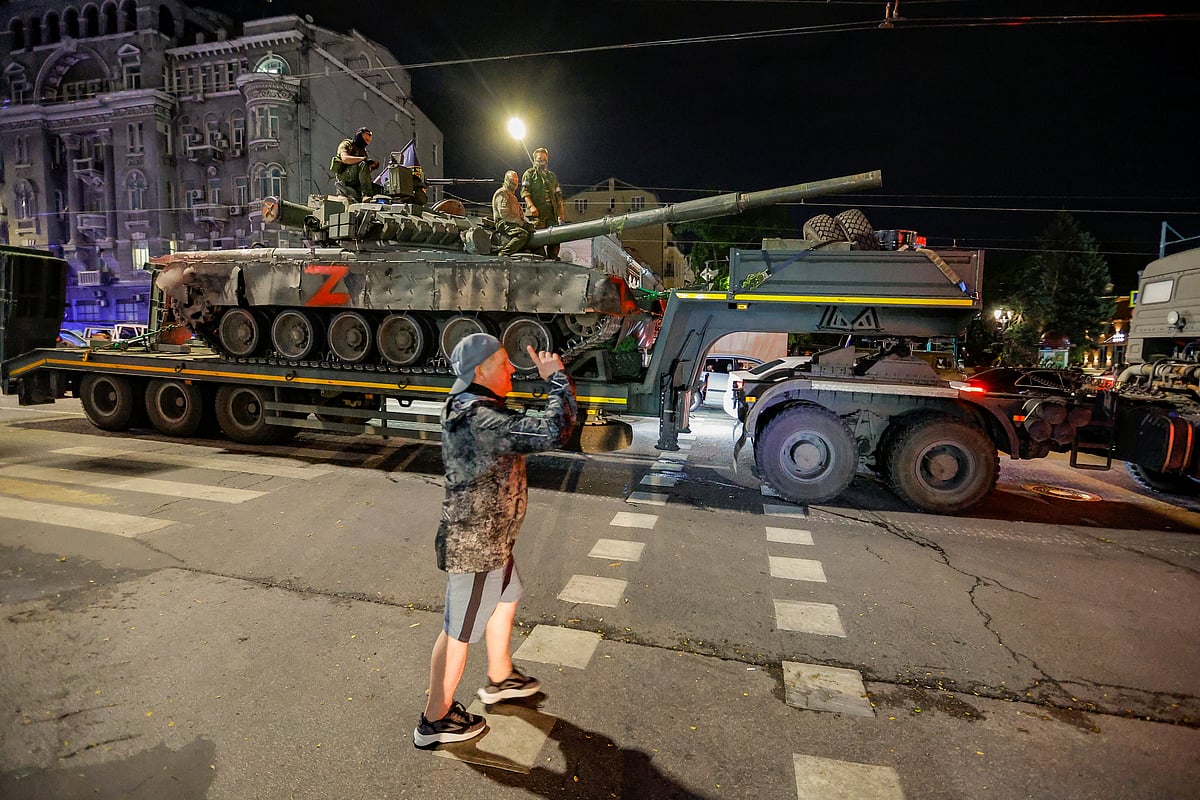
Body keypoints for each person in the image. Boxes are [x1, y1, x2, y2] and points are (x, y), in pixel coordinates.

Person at [414, 333, 578, 748]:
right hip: (477, 548)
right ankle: (435, 719)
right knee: (457, 631)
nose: (510, 370)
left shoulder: (475, 405)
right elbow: (553, 431)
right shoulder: (479, 419)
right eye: (502, 363)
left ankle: (501, 676)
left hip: (492, 539)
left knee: (508, 596)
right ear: (479, 371)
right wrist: (556, 379)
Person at [520, 147, 566, 259]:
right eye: (540, 158)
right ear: (535, 159)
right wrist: (531, 206)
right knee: (538, 237)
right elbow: (525, 192)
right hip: (537, 214)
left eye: (545, 159)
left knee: (555, 236)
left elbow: (558, 194)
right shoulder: (530, 174)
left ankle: (553, 257)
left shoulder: (551, 176)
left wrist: (561, 210)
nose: (543, 161)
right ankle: (539, 257)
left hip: (551, 213)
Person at [330, 127, 380, 202]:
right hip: (344, 176)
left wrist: (372, 166)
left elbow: (364, 174)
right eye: (365, 139)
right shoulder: (347, 144)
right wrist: (363, 160)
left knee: (377, 189)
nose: (367, 142)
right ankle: (366, 195)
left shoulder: (363, 152)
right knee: (363, 164)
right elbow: (345, 159)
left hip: (356, 181)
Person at [492, 170, 533, 256]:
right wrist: (521, 223)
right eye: (512, 181)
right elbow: (505, 214)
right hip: (504, 223)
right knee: (522, 234)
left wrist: (526, 223)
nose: (514, 184)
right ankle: (504, 253)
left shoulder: (512, 197)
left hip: (513, 223)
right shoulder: (502, 193)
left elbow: (519, 215)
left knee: (530, 233)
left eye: (516, 181)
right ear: (506, 180)